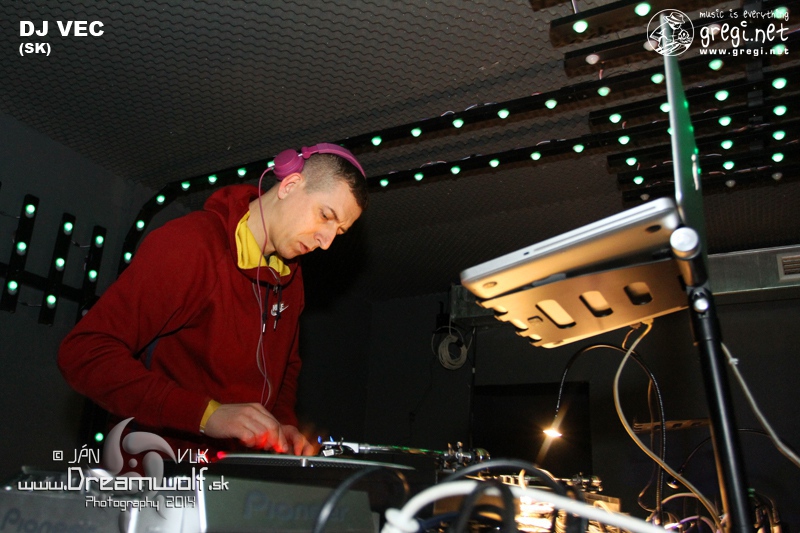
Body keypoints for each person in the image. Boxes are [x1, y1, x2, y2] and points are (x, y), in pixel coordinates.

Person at [58, 145, 368, 457]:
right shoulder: (190, 245)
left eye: (338, 232)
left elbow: (286, 367)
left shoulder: (291, 281)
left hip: (229, 475)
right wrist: (206, 415)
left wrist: (282, 423)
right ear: (289, 185)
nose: (326, 242)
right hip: (159, 467)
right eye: (325, 216)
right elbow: (84, 353)